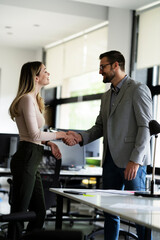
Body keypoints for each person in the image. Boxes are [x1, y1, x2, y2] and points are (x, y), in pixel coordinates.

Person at [64, 50, 152, 240]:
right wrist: (80, 137)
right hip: (110, 162)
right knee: (110, 212)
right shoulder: (106, 97)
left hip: (132, 163)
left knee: (140, 215)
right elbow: (99, 127)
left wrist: (135, 160)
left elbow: (145, 127)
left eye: (102, 67)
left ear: (115, 65)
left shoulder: (137, 89)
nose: (100, 71)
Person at [8, 61, 75, 239]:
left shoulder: (34, 100)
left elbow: (33, 136)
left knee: (40, 212)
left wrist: (49, 143)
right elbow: (33, 135)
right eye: (45, 71)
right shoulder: (26, 99)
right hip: (26, 157)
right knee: (19, 213)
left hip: (32, 157)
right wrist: (60, 135)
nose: (48, 74)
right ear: (36, 77)